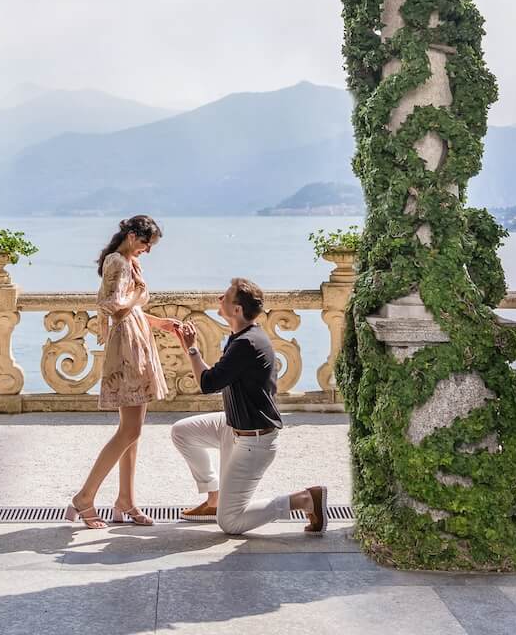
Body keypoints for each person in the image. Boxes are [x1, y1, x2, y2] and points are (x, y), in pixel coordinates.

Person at [169, 277, 328, 535]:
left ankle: (305, 500)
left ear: (237, 310)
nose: (219, 298)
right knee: (182, 432)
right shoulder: (241, 335)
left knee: (230, 523)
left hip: (255, 440)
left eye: (226, 296)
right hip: (233, 425)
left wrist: (192, 350)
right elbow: (220, 377)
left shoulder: (246, 343)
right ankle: (214, 500)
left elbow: (208, 383)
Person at [66, 215, 184, 528]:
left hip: (135, 337)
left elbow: (131, 309)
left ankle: (125, 501)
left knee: (134, 431)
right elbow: (115, 305)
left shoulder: (126, 260)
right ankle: (84, 498)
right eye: (146, 243)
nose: (148, 249)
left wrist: (159, 323)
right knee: (129, 430)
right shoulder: (119, 261)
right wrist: (139, 290)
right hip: (127, 346)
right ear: (132, 236)